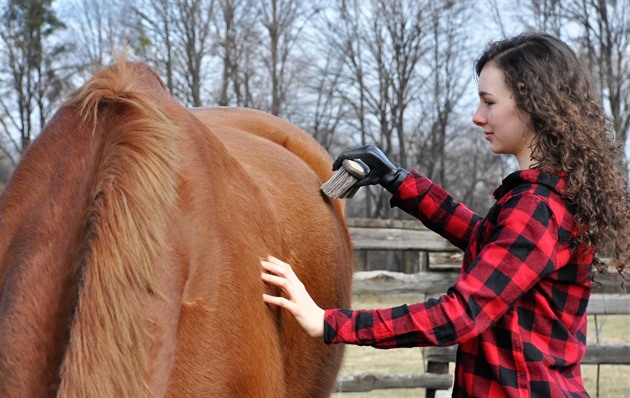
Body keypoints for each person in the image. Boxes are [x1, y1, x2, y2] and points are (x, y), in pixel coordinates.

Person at [260, 32, 630, 397]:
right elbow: (488, 241)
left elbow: (460, 315)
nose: (476, 117)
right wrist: (397, 180)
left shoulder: (537, 207)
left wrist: (328, 322)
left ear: (534, 106)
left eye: (488, 102)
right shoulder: (549, 197)